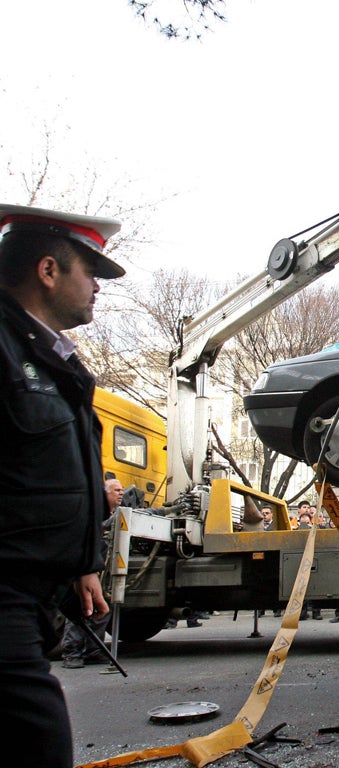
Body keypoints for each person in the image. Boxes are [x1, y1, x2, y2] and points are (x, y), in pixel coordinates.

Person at [0, 204, 120, 767]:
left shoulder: (46, 358)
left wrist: (83, 561)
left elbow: (41, 475)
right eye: (89, 271)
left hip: (33, 596)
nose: (97, 286)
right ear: (49, 270)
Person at [61, 478, 122, 669]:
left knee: (101, 607)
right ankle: (72, 653)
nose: (121, 493)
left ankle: (93, 650)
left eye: (121, 490)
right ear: (104, 493)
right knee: (82, 608)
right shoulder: (92, 513)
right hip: (85, 569)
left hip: (100, 568)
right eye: (116, 490)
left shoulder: (112, 513)